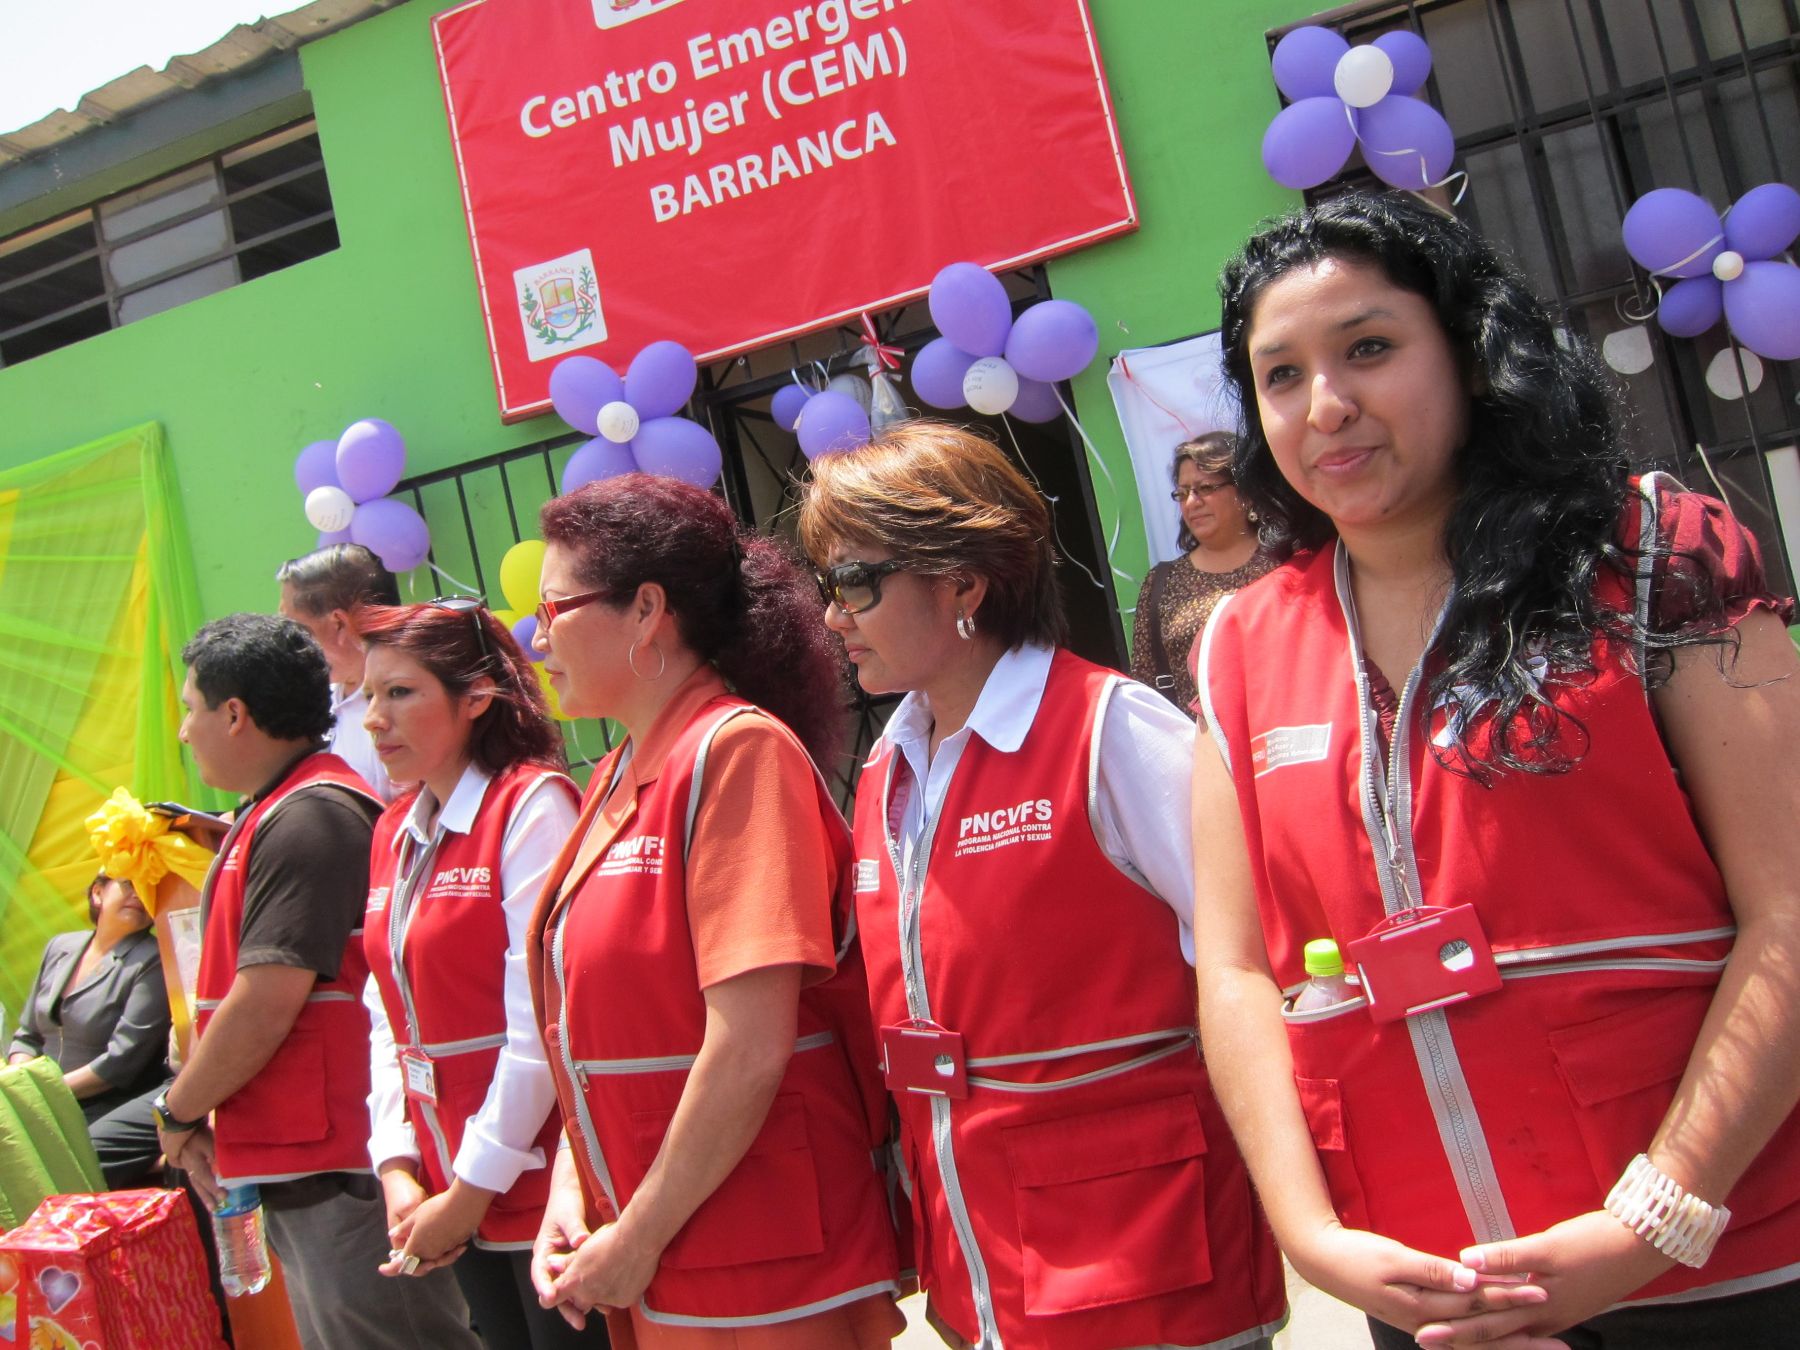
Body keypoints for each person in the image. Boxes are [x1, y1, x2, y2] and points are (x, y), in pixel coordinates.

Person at [1191, 191, 1800, 1350]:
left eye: (1369, 347)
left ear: (1471, 354)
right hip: (1428, 1293)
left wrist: (1655, 1215)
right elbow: (1232, 972)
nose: (1328, 406)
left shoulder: (1653, 553)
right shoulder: (1241, 647)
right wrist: (1312, 1236)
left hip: (1721, 1264)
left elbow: (1793, 910)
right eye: (1280, 376)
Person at [798, 424, 1287, 1350]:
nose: (833, 616)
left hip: (1148, 1265)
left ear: (964, 584)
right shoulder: (887, 772)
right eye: (827, 585)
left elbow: (1260, 953)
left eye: (856, 581)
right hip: (987, 1267)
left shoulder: (1110, 730)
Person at [526, 474, 901, 1346]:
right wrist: (572, 1190)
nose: (536, 636)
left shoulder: (737, 753)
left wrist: (639, 1233)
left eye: (555, 608)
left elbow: (750, 1043)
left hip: (765, 1251)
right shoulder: (619, 772)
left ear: (648, 609)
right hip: (663, 1244)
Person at [158, 612, 480, 1350]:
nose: (183, 730)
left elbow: (266, 1002)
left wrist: (176, 1112)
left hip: (345, 1175)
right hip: (312, 1167)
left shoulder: (310, 819)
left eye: (189, 708)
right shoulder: (278, 810)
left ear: (235, 713)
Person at [356, 599, 594, 1349]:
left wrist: (468, 1190)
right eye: (368, 695)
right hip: (444, 1193)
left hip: (538, 1190)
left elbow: (541, 1030)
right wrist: (397, 1165)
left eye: (400, 693)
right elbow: (384, 1010)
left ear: (477, 697)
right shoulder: (395, 830)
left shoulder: (531, 805)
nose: (373, 719)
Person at [1128, 432, 1279, 713]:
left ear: (1244, 492)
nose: (1191, 502)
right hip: (1201, 747)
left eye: (1205, 488)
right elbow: (1148, 690)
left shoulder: (1286, 563)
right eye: (1183, 493)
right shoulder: (1162, 583)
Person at [9, 875, 168, 1121]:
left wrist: (45, 1094)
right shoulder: (60, 946)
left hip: (101, 1109)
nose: (139, 894)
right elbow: (27, 1036)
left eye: (151, 889)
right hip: (35, 1098)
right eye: (129, 884)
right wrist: (20, 1082)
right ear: (98, 892)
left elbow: (121, 1061)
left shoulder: (155, 959)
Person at [277, 543, 403, 801]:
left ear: (339, 624)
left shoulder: (409, 702)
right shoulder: (314, 701)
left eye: (296, 629)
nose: (287, 641)